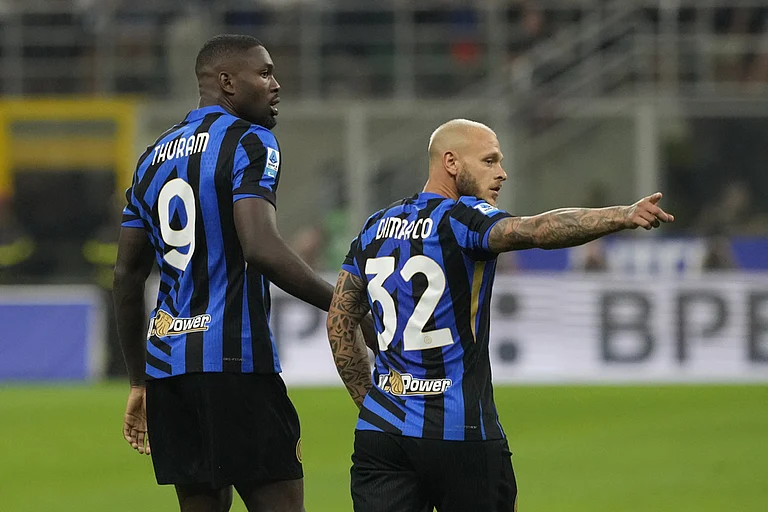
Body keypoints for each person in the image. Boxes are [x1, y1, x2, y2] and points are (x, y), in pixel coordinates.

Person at [325, 119, 674, 512]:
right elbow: (535, 230)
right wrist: (622, 215)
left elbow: (340, 320)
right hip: (461, 434)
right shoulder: (461, 217)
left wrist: (370, 401)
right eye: (490, 161)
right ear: (452, 162)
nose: (502, 172)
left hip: (381, 436)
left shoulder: (375, 227)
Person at [113, 34, 371, 512]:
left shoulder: (149, 160)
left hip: (170, 372)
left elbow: (127, 278)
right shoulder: (251, 141)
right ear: (227, 83)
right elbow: (262, 248)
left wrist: (138, 381)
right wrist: (346, 303)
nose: (276, 85)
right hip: (236, 364)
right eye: (265, 73)